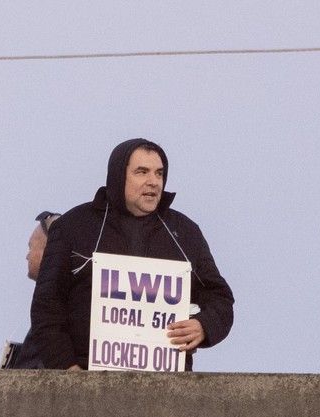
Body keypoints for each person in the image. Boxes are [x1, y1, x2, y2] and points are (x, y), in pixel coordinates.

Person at [30, 139, 234, 370]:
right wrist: (67, 370)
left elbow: (220, 300)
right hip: (87, 384)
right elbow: (47, 308)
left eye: (159, 173)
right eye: (142, 172)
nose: (153, 182)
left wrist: (204, 326)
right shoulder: (73, 227)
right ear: (119, 176)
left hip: (167, 389)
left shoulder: (184, 232)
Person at [2, 211, 61, 369]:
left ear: (48, 250)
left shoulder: (55, 305)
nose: (27, 256)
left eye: (31, 247)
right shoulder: (58, 299)